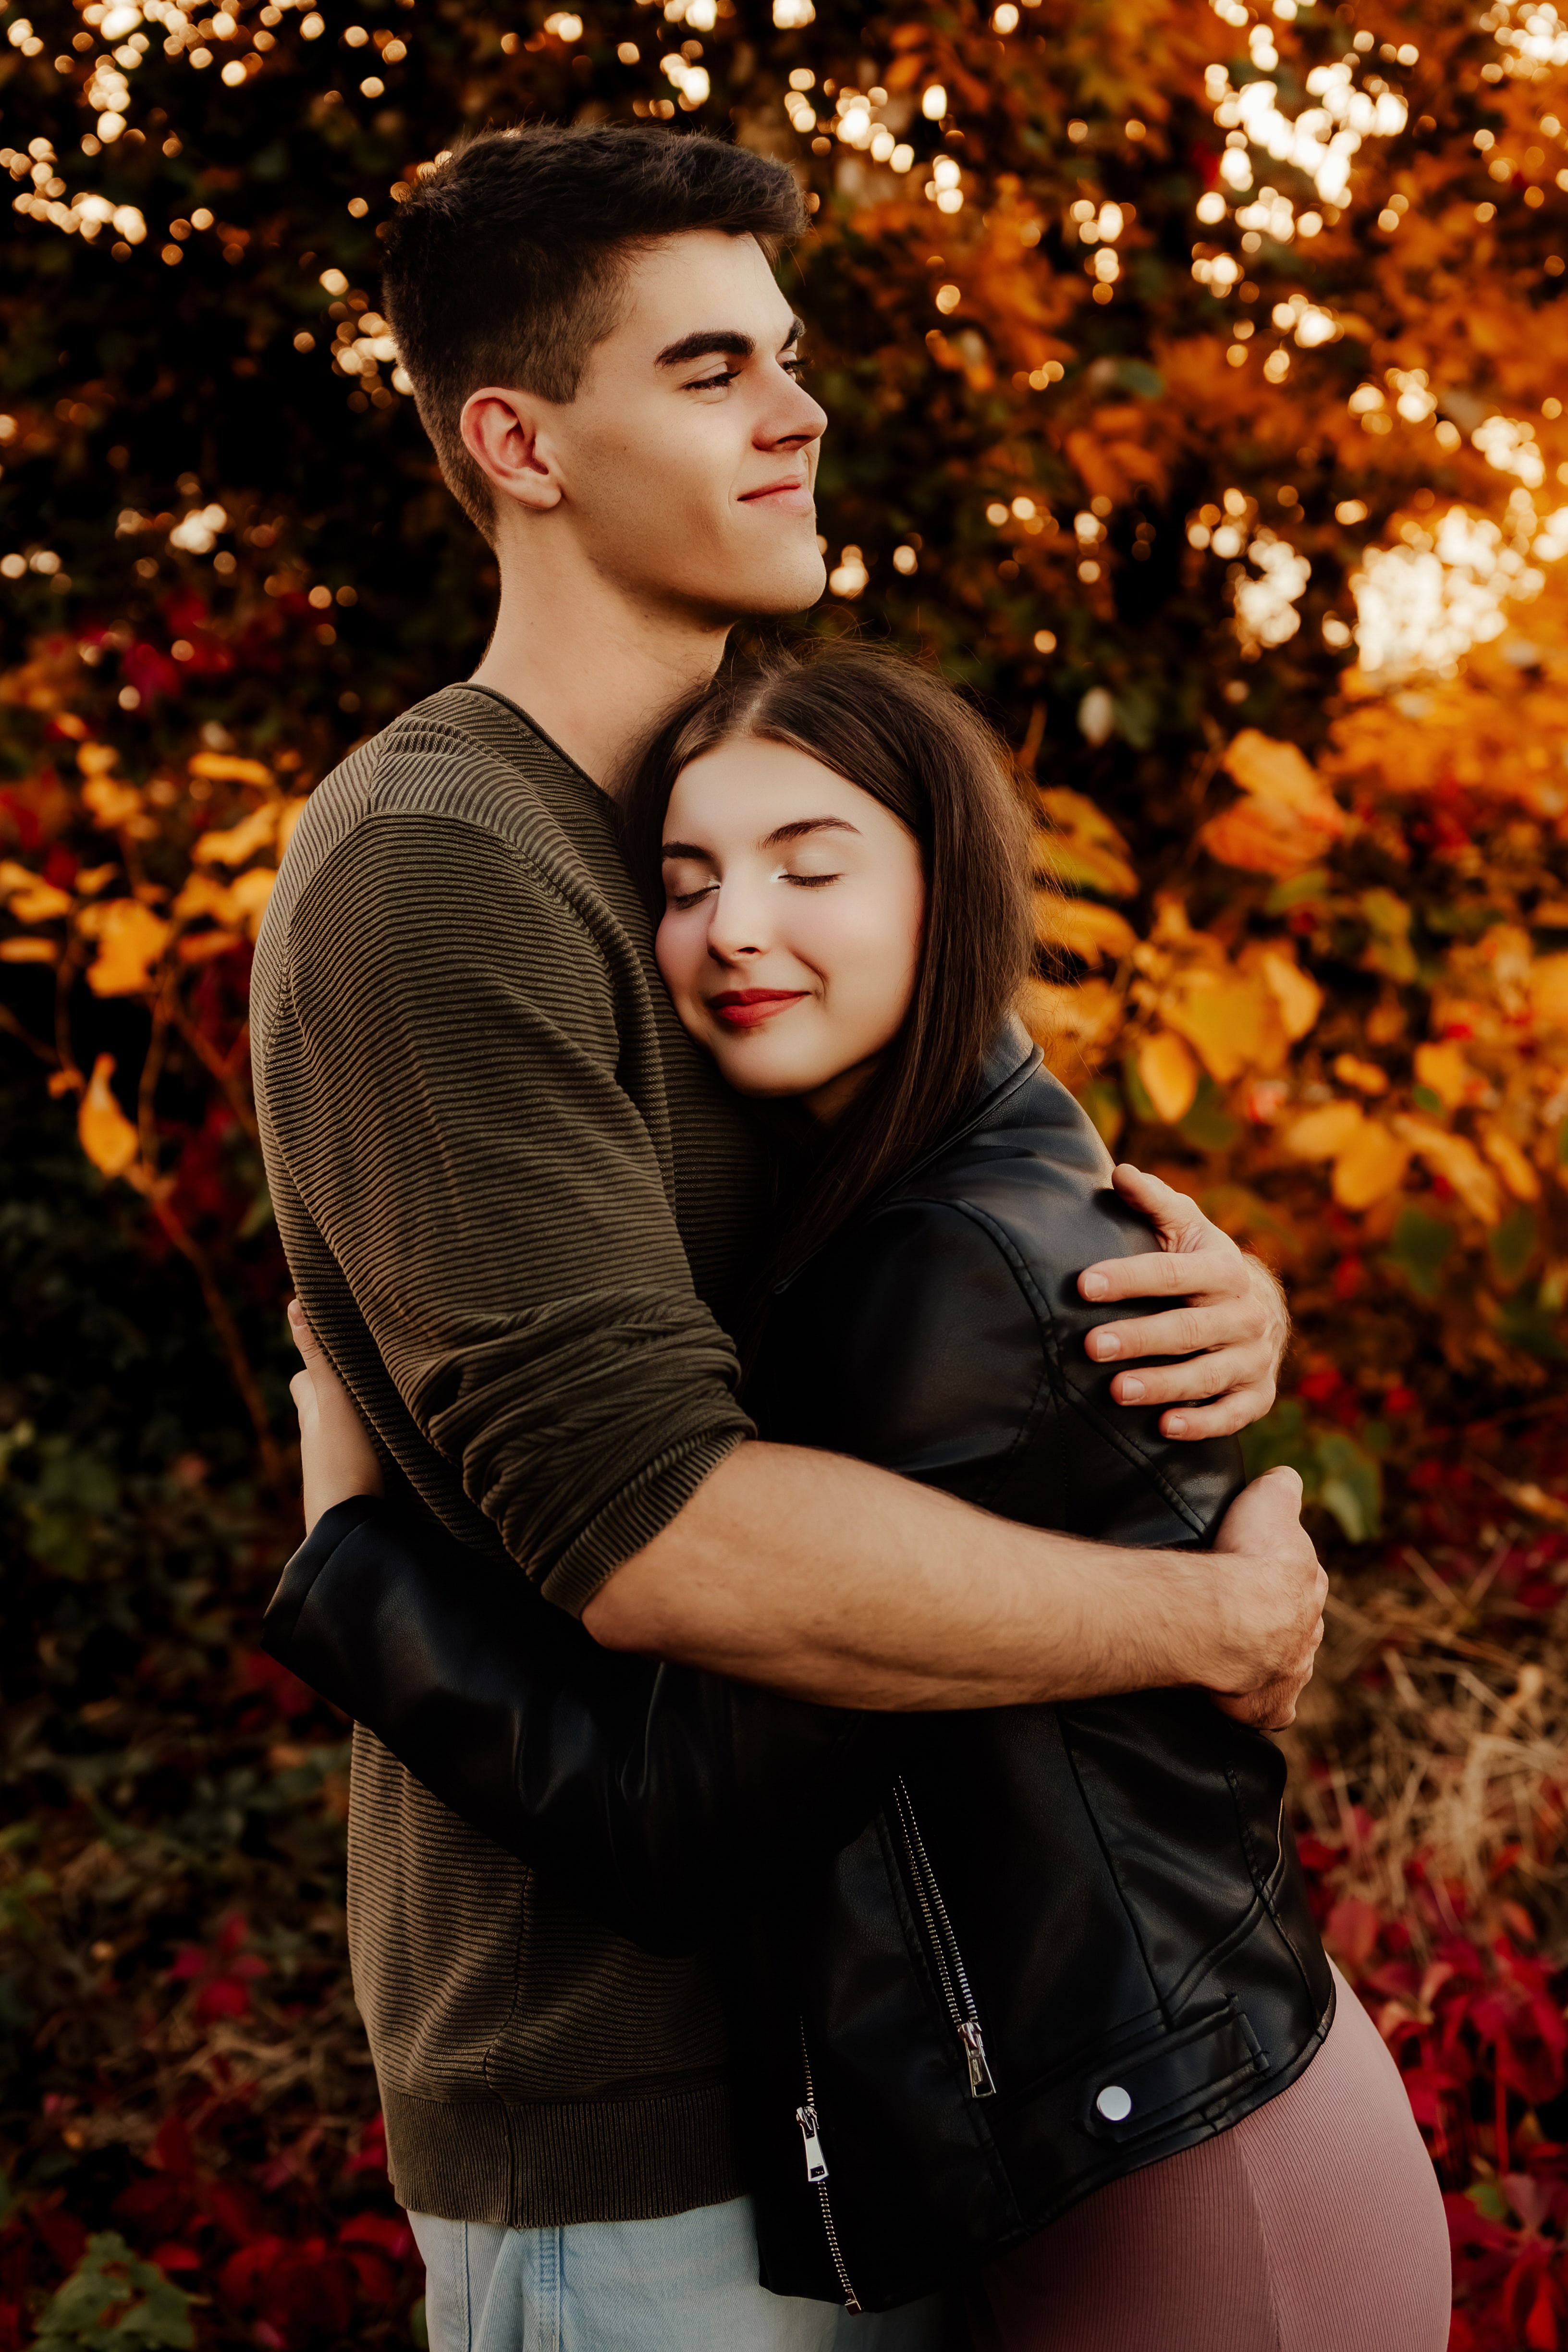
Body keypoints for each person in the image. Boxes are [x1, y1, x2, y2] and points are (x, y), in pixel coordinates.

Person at [251, 124, 1323, 2352]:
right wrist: (1200, 1624)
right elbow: (662, 1541)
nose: (801, 411)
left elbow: (1018, 1264)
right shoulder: (443, 861)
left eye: (792, 355)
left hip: (928, 2054)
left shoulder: (760, 833)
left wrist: (1215, 1313)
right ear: (519, 440)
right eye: (715, 364)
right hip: (638, 2117)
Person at [274, 645, 1450, 2352]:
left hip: (1199, 2201)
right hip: (1146, 2111)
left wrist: (344, 1548)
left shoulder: (937, 1276)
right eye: (687, 884)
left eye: (808, 867)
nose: (736, 924)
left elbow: (680, 1813)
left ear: (942, 892)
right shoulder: (969, 1166)